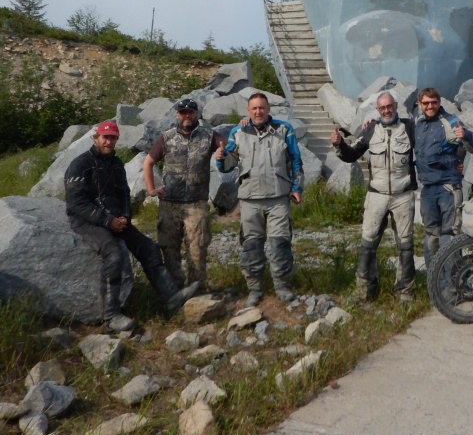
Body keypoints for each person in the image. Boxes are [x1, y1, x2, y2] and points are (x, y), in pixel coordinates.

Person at [64, 121, 199, 333]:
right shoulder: (80, 165)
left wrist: (124, 217)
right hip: (87, 222)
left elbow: (125, 194)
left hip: (116, 220)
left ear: (117, 139)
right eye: (105, 137)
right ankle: (111, 316)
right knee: (114, 254)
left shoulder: (116, 164)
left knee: (149, 248)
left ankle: (171, 296)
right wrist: (108, 221)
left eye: (113, 138)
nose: (108, 141)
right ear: (95, 138)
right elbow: (76, 202)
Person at [330, 92, 416, 303]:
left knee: (405, 246)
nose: (386, 110)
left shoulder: (410, 127)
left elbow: (433, 133)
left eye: (389, 106)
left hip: (403, 196)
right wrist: (339, 144)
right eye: (382, 108)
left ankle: (405, 291)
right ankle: (364, 290)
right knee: (367, 244)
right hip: (376, 196)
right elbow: (351, 155)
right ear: (377, 110)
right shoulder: (369, 129)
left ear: (396, 106)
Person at [218, 93, 303, 305]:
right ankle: (255, 290)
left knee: (280, 245)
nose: (258, 112)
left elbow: (296, 161)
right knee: (251, 247)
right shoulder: (237, 132)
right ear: (248, 111)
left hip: (278, 199)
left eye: (262, 108)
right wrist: (220, 158)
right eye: (254, 108)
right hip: (249, 199)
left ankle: (282, 287)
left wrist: (297, 187)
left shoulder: (284, 130)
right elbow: (228, 164)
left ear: (268, 109)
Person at [142, 98, 227, 291]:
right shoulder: (167, 137)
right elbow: (148, 163)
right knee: (169, 248)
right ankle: (175, 289)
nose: (186, 115)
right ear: (177, 115)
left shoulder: (209, 135)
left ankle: (197, 288)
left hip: (197, 203)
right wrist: (151, 189)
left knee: (197, 247)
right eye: (182, 112)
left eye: (190, 111)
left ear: (196, 113)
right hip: (169, 204)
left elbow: (230, 147)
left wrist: (224, 150)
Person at [414, 87, 473, 267]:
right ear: (420, 105)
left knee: (448, 238)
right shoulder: (418, 125)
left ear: (439, 102)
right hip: (427, 190)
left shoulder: (451, 121)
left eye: (433, 102)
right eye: (426, 103)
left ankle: (451, 289)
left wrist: (467, 136)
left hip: (448, 189)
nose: (430, 106)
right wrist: (374, 121)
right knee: (430, 239)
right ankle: (434, 284)